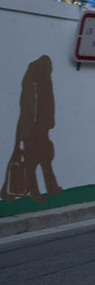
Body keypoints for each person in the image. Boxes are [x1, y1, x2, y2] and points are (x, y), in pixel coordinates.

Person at [1, 55, 62, 202]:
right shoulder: (36, 81)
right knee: (32, 162)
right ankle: (35, 192)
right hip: (32, 129)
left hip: (37, 128)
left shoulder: (38, 79)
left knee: (43, 160)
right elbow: (30, 108)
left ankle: (51, 188)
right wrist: (27, 132)